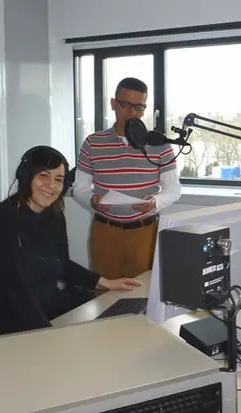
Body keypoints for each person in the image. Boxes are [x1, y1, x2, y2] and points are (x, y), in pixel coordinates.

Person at [0, 145, 141, 337]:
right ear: (26, 177)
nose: (51, 185)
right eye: (43, 176)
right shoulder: (1, 221)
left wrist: (106, 283)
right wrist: (47, 334)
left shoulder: (53, 215)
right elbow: (15, 288)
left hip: (46, 308)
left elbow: (62, 263)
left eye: (58, 179)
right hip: (7, 319)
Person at [73, 77, 182, 281]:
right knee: (103, 292)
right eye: (126, 105)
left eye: (139, 107)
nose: (132, 112)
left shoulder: (160, 144)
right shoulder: (92, 143)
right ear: (113, 104)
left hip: (145, 232)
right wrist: (92, 200)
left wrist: (155, 202)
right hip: (105, 232)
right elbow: (79, 188)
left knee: (144, 292)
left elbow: (174, 188)